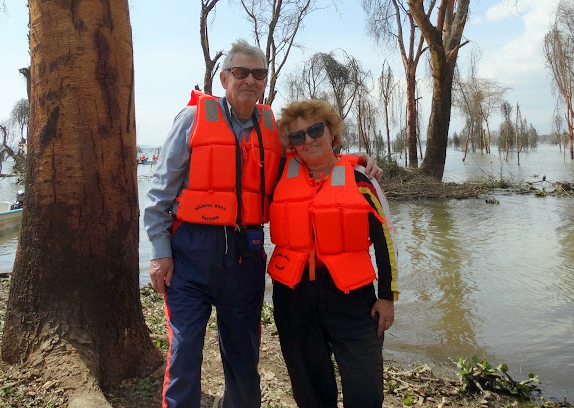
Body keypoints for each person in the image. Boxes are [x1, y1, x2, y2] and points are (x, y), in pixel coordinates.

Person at [145, 39, 382, 408]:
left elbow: (314, 155)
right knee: (184, 351)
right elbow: (160, 192)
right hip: (190, 253)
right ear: (224, 78)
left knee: (243, 358)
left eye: (258, 74)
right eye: (240, 72)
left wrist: (355, 162)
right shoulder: (191, 120)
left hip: (245, 256)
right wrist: (160, 253)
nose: (249, 80)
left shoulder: (273, 129)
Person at [268, 99, 398, 408]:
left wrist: (387, 296)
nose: (308, 140)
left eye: (315, 130)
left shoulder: (360, 178)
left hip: (352, 300)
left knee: (365, 392)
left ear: (332, 133)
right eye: (298, 136)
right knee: (311, 392)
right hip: (294, 298)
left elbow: (386, 241)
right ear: (292, 144)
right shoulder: (279, 176)